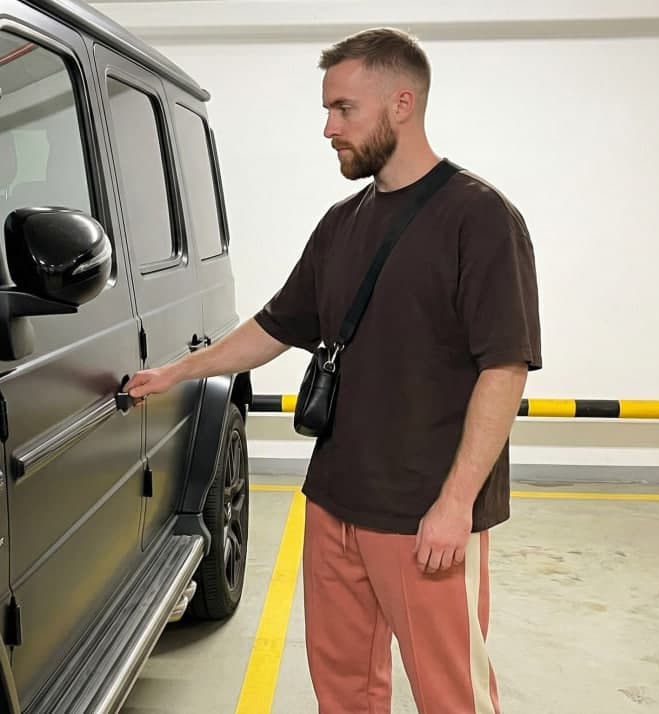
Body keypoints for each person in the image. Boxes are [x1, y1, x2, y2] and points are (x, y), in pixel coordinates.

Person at [125, 27, 541, 714]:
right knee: (343, 689)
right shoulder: (341, 223)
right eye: (327, 109)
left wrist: (456, 504)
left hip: (422, 514)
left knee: (450, 694)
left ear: (401, 103)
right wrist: (178, 372)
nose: (328, 127)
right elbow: (275, 327)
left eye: (344, 108)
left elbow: (504, 368)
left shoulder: (480, 218)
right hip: (335, 501)